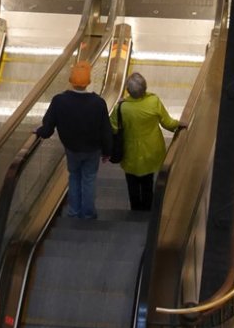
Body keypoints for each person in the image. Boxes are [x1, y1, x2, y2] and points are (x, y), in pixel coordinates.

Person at [35, 61, 113, 220]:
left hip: (72, 148)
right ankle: (89, 213)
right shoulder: (98, 103)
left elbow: (48, 126)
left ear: (71, 80)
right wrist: (107, 151)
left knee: (74, 176)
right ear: (89, 81)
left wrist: (39, 132)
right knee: (89, 179)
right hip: (93, 149)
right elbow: (106, 129)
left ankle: (74, 211)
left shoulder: (59, 100)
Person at [110, 72, 182, 210]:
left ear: (128, 90)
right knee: (148, 182)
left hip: (130, 153)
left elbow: (113, 127)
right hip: (151, 151)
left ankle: (135, 209)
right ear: (145, 88)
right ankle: (147, 209)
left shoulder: (121, 108)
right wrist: (180, 124)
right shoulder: (153, 101)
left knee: (132, 183)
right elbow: (168, 123)